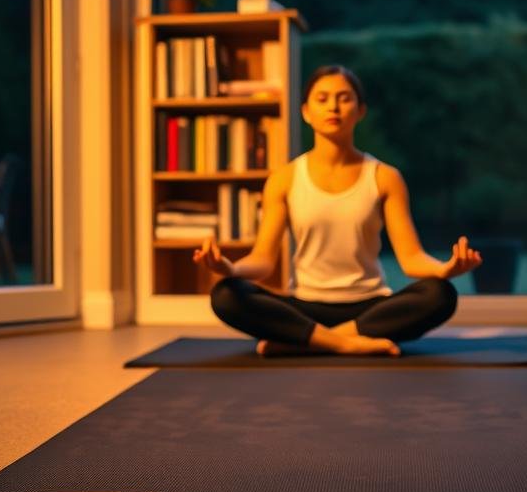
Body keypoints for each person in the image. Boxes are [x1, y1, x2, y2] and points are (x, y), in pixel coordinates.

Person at [194, 64, 483, 356]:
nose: (333, 106)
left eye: (344, 98)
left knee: (440, 295)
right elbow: (263, 260)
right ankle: (343, 343)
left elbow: (411, 259)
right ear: (306, 112)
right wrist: (230, 269)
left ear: (360, 111)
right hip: (305, 307)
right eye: (322, 99)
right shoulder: (284, 179)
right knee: (226, 295)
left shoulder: (384, 177)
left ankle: (306, 342)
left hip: (369, 306)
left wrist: (445, 269)